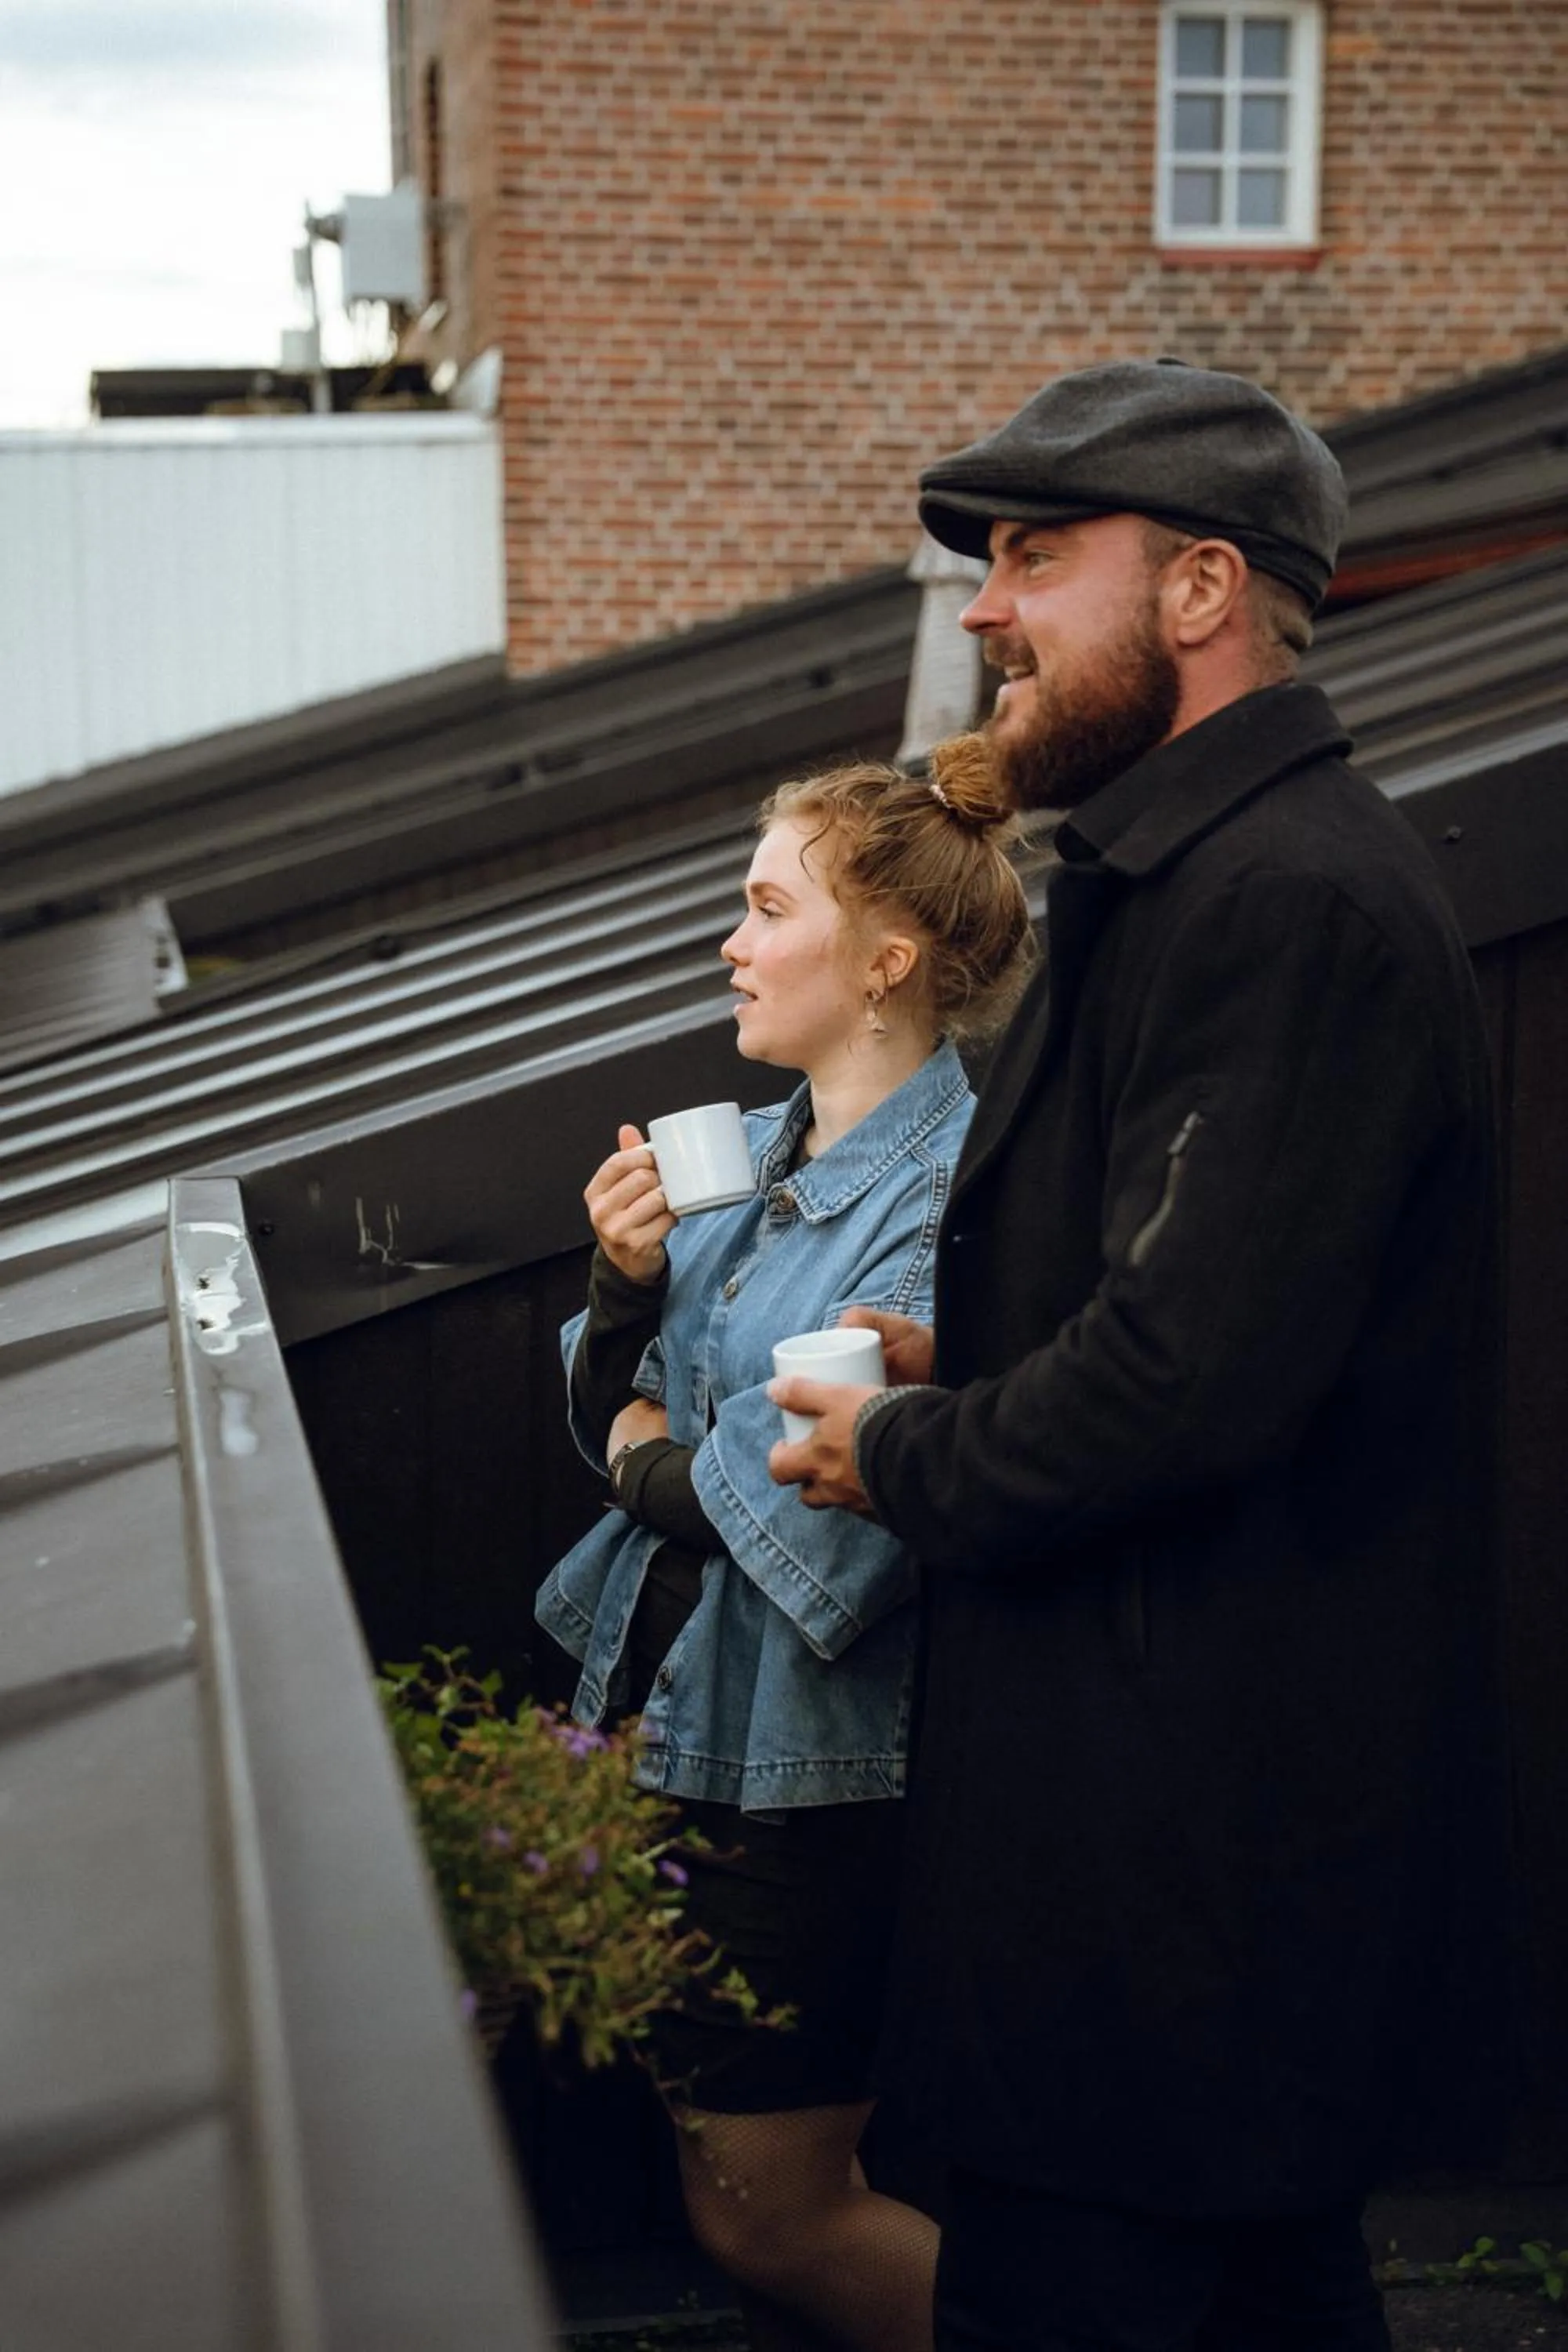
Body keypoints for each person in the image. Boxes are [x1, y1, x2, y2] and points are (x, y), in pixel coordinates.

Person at [768, 359, 1511, 2351]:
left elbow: (1188, 1381)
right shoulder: (1192, 876)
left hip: (1178, 1894)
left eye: (1031, 557)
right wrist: (975, 1348)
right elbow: (1196, 1300)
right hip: (1154, 1877)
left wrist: (901, 1451)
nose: (986, 609)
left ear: (1198, 593)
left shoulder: (1286, 902)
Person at [535, 738, 1033, 2352]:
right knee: (749, 2200)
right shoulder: (747, 1159)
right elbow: (612, 1400)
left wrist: (648, 1454)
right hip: (693, 1733)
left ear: (886, 961)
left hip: (808, 1778)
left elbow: (810, 1499)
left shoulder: (954, 1196)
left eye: (763, 907)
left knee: (774, 2213)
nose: (730, 946)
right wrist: (623, 1292)